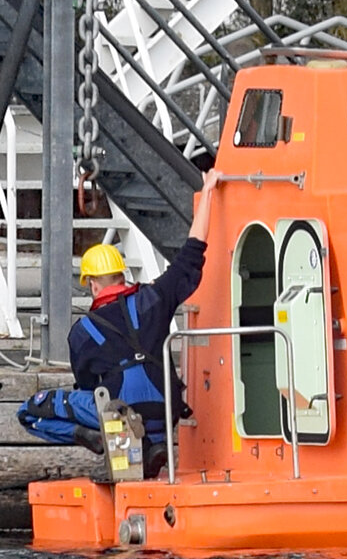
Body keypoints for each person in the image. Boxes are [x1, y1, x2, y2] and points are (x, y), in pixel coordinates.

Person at [17, 169, 223, 474]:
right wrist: (207, 192)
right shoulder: (155, 298)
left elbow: (88, 386)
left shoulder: (82, 333)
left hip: (119, 420)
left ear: (92, 285)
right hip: (165, 413)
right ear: (122, 276)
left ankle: (91, 436)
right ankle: (151, 449)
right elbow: (193, 252)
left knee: (29, 412)